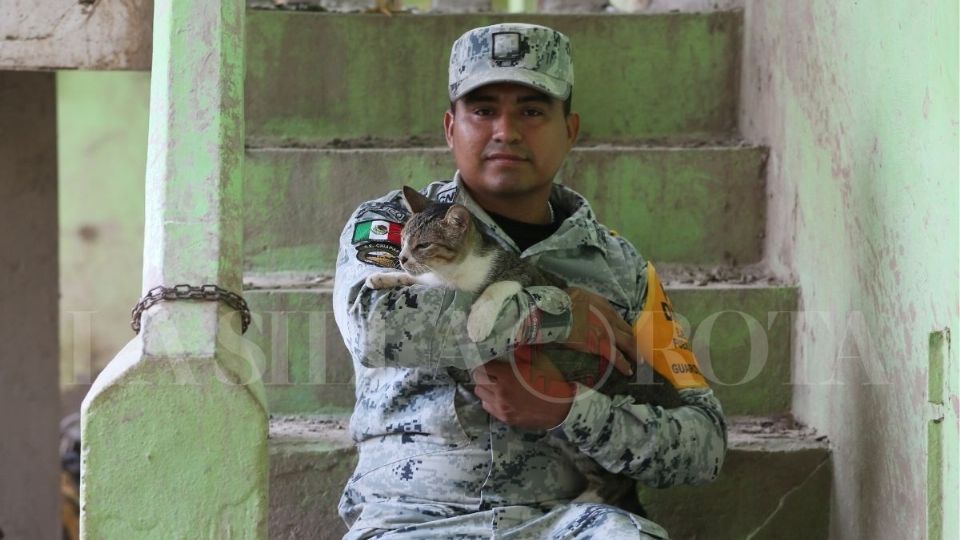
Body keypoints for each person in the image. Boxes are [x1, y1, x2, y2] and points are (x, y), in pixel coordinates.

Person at [332, 23, 727, 539]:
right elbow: (373, 328)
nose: (506, 131)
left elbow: (703, 443)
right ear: (451, 127)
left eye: (533, 110)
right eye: (483, 110)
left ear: (572, 129)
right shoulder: (392, 225)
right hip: (413, 518)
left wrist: (570, 408)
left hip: (569, 520)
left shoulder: (621, 269)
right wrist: (558, 315)